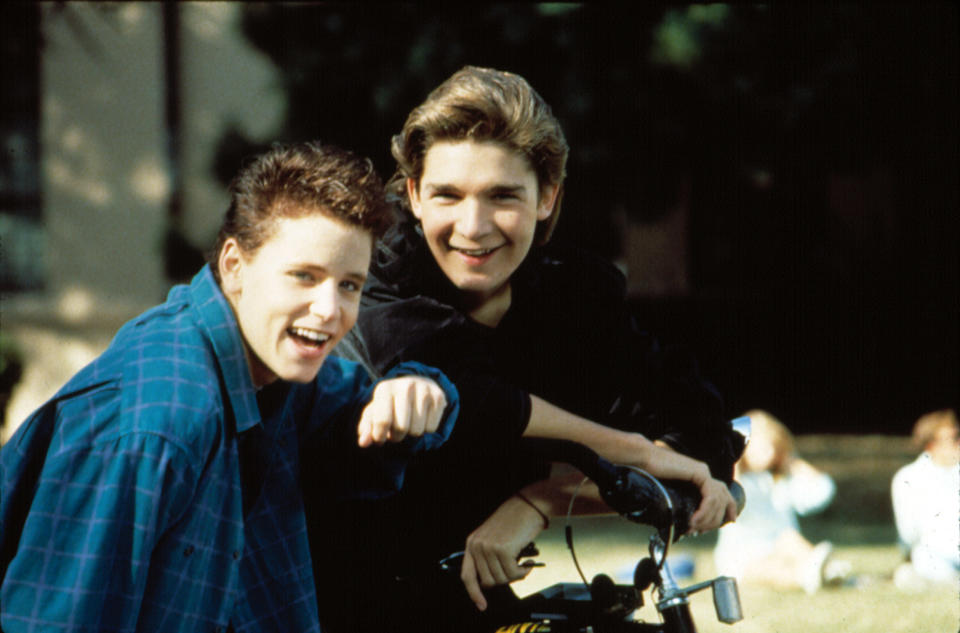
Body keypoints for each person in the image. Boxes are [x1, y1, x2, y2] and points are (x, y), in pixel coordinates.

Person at [305, 66, 744, 633]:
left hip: (472, 600)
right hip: (330, 604)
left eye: (503, 196)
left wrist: (541, 498)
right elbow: (474, 399)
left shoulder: (573, 295)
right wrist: (639, 452)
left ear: (547, 197)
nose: (474, 225)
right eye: (447, 195)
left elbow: (704, 441)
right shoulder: (375, 279)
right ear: (413, 194)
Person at [0, 142, 460, 632]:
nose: (330, 309)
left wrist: (417, 390)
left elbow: (367, 411)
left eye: (349, 285)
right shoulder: (156, 426)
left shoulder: (273, 364)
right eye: (304, 276)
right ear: (234, 266)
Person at [713, 409, 849, 594]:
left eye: (774, 448)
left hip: (780, 548)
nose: (769, 455)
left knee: (789, 539)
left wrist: (794, 465)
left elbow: (822, 493)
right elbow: (732, 505)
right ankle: (808, 576)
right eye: (762, 448)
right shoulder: (737, 483)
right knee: (772, 569)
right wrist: (733, 462)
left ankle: (821, 567)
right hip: (744, 556)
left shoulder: (778, 482)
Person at [891, 408, 960, 591]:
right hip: (936, 557)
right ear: (931, 445)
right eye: (953, 438)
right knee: (924, 559)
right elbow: (909, 534)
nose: (958, 443)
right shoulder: (909, 477)